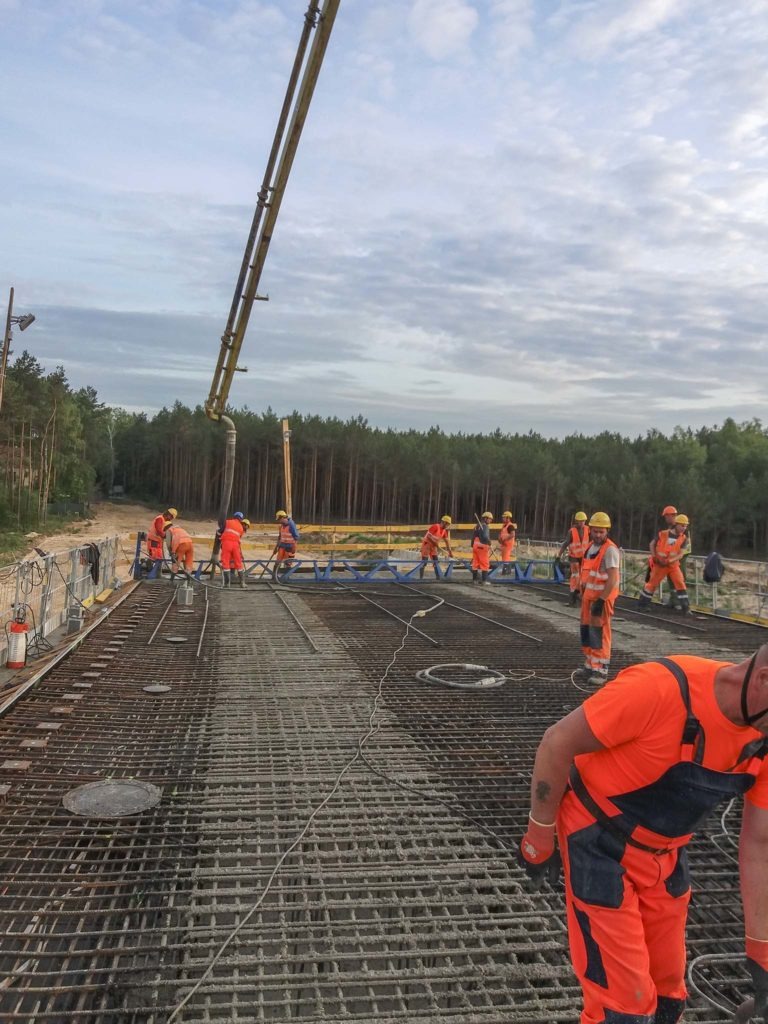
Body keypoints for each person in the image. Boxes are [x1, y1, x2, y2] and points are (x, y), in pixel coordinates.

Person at [517, 648, 768, 1024]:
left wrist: (761, 951)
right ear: (764, 680)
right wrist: (540, 835)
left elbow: (759, 844)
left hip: (666, 854)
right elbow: (557, 742)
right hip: (598, 840)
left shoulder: (762, 740)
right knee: (624, 1008)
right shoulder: (660, 689)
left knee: (667, 994)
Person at [575, 512, 620, 686]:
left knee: (601, 634)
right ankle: (590, 665)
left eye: (601, 532)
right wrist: (582, 592)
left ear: (607, 531)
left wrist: (601, 600)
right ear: (590, 531)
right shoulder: (589, 549)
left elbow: (612, 578)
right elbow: (586, 574)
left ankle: (601, 670)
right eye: (595, 531)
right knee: (587, 631)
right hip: (588, 599)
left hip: (601, 599)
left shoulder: (609, 550)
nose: (598, 535)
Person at [639, 514, 690, 613]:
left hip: (673, 565)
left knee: (680, 582)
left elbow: (680, 555)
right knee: (652, 584)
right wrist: (654, 556)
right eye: (682, 525)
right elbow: (652, 544)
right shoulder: (662, 534)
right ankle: (642, 605)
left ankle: (686, 608)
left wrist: (669, 561)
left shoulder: (684, 539)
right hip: (660, 565)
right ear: (676, 524)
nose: (684, 528)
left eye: (686, 526)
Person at [557, 511, 590, 605]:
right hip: (574, 557)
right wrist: (558, 556)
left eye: (583, 521)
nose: (582, 523)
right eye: (580, 521)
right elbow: (565, 544)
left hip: (584, 558)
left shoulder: (588, 530)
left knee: (584, 576)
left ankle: (579, 593)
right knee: (576, 575)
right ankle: (573, 595)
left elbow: (591, 542)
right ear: (577, 521)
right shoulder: (572, 531)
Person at [219, 511, 249, 588]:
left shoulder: (227, 522)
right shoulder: (241, 528)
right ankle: (242, 583)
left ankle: (227, 584)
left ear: (234, 516)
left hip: (226, 544)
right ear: (241, 519)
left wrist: (219, 534)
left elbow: (221, 530)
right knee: (239, 563)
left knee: (225, 563)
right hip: (236, 545)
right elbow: (239, 538)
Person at [273, 510, 300, 578]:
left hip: (290, 547)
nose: (279, 521)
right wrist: (276, 547)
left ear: (282, 517)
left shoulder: (291, 524)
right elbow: (280, 537)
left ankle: (286, 577)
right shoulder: (281, 526)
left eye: (279, 519)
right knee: (277, 561)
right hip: (282, 546)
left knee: (288, 563)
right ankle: (274, 576)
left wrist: (294, 546)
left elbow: (296, 537)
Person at [471, 512, 493, 584]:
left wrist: (472, 545)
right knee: (485, 564)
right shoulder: (485, 526)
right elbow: (485, 537)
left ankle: (475, 580)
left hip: (475, 546)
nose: (490, 521)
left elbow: (473, 537)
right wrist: (489, 542)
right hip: (482, 547)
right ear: (485, 518)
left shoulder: (476, 526)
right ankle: (484, 581)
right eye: (490, 519)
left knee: (475, 564)